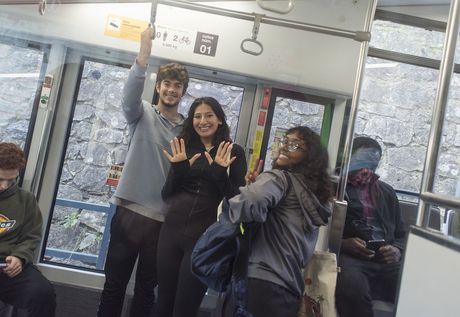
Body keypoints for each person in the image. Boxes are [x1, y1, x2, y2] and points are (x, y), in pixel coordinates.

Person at [97, 26, 190, 317]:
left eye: (177, 86)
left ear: (183, 92)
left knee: (146, 290)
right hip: (128, 213)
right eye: (167, 83)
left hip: (163, 223)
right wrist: (144, 54)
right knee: (114, 284)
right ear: (158, 86)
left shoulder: (188, 130)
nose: (171, 89)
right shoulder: (141, 114)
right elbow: (129, 97)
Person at [222, 126, 333, 317]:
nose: (283, 148)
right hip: (288, 289)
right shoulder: (315, 197)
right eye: (284, 141)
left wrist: (252, 191)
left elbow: (249, 203)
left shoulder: (280, 179)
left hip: (257, 280)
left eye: (294, 145)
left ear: (310, 157)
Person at [154, 96, 247, 317]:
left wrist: (219, 174)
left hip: (204, 240)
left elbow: (236, 200)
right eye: (197, 116)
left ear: (220, 120)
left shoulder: (233, 151)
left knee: (185, 307)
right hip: (170, 232)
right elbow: (166, 195)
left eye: (209, 115)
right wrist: (178, 169)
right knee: (163, 300)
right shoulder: (183, 147)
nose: (202, 121)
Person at [335, 136, 406, 317]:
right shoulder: (334, 187)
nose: (367, 169)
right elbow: (319, 231)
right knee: (351, 286)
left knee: (415, 281)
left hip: (384, 258)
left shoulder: (386, 192)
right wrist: (343, 243)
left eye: (373, 164)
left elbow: (401, 233)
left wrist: (397, 249)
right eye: (362, 161)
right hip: (350, 256)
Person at [0, 142, 56, 317]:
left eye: (11, 180)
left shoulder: (26, 200)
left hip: (7, 266)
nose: (4, 186)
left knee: (43, 293)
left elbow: (31, 236)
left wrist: (19, 257)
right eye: (0, 179)